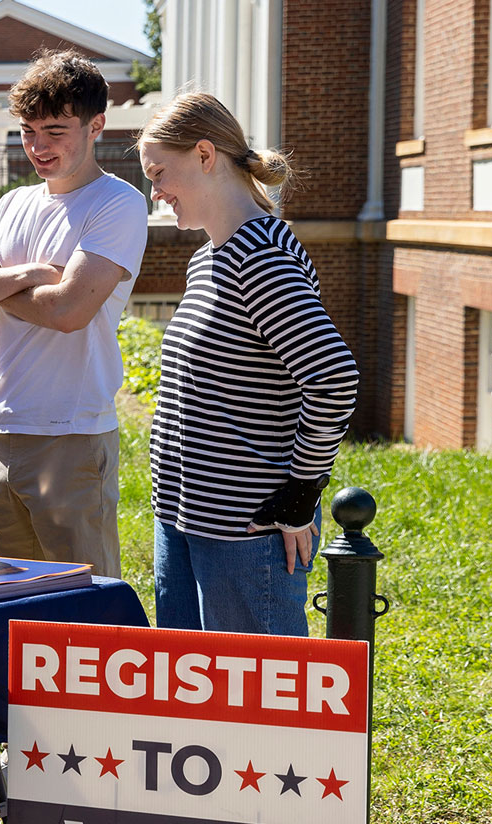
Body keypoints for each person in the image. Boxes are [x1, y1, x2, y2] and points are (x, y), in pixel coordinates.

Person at [138, 91, 359, 635]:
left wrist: (300, 494)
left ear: (206, 155)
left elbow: (332, 376)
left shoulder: (258, 255)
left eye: (160, 172)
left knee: (253, 716)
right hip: (186, 521)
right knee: (193, 710)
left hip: (242, 533)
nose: (155, 190)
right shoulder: (210, 257)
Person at [0, 49, 149, 579]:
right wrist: (29, 274)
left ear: (96, 125)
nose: (38, 147)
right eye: (29, 131)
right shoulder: (12, 205)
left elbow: (69, 310)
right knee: (1, 607)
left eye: (56, 130)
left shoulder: (117, 204)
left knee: (82, 609)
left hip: (71, 437)